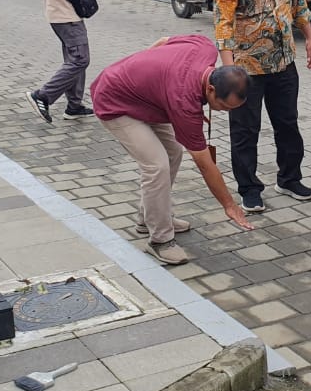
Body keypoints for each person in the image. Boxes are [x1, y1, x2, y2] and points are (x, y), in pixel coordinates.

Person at [91, 35, 254, 265]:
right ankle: (160, 240)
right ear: (210, 89)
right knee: (156, 166)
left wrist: (147, 76)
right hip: (115, 100)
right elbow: (206, 165)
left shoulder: (205, 47)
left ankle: (150, 218)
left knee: (173, 153)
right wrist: (229, 205)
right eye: (224, 106)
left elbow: (163, 41)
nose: (225, 112)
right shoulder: (184, 101)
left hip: (153, 99)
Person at [213, 0, 311, 213]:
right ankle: (249, 187)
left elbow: (297, 0)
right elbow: (223, 23)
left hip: (283, 60)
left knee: (287, 124)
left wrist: (310, 36)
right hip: (246, 67)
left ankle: (289, 178)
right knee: (246, 130)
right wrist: (228, 69)